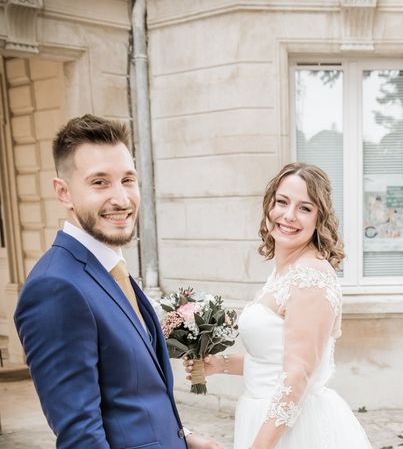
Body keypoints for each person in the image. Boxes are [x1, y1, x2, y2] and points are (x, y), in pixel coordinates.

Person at [14, 114, 221, 449]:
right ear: (63, 192)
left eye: (127, 179)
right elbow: (81, 437)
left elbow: (131, 400)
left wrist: (185, 440)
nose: (122, 199)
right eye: (99, 182)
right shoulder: (55, 288)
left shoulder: (111, 268)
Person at [184, 162, 371, 449]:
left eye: (305, 208)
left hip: (293, 431)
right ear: (269, 205)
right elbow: (273, 362)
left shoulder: (311, 278)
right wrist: (219, 364)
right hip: (264, 417)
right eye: (282, 202)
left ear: (319, 219)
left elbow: (298, 376)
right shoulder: (284, 273)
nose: (289, 215)